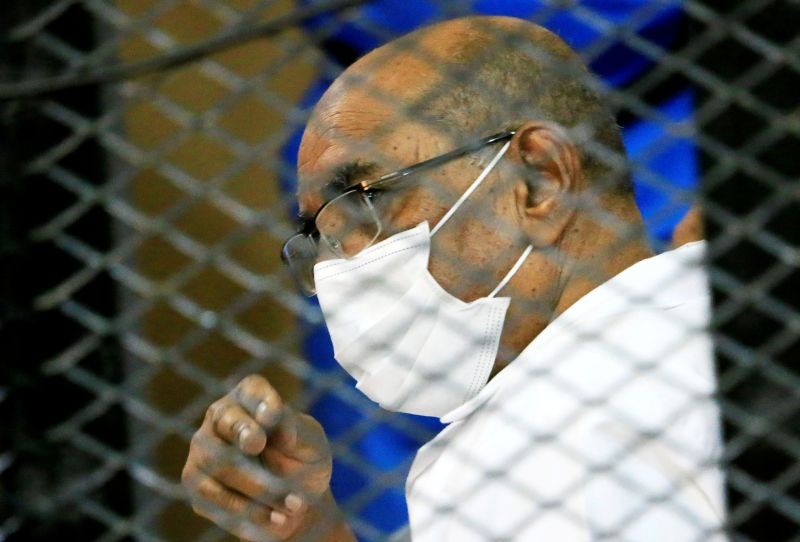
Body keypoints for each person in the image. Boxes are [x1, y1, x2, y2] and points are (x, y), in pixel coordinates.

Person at [181, 16, 726, 541]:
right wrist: (309, 529)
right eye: (318, 236)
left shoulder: (601, 407)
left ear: (539, 181)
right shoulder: (538, 408)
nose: (334, 270)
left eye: (365, 200)